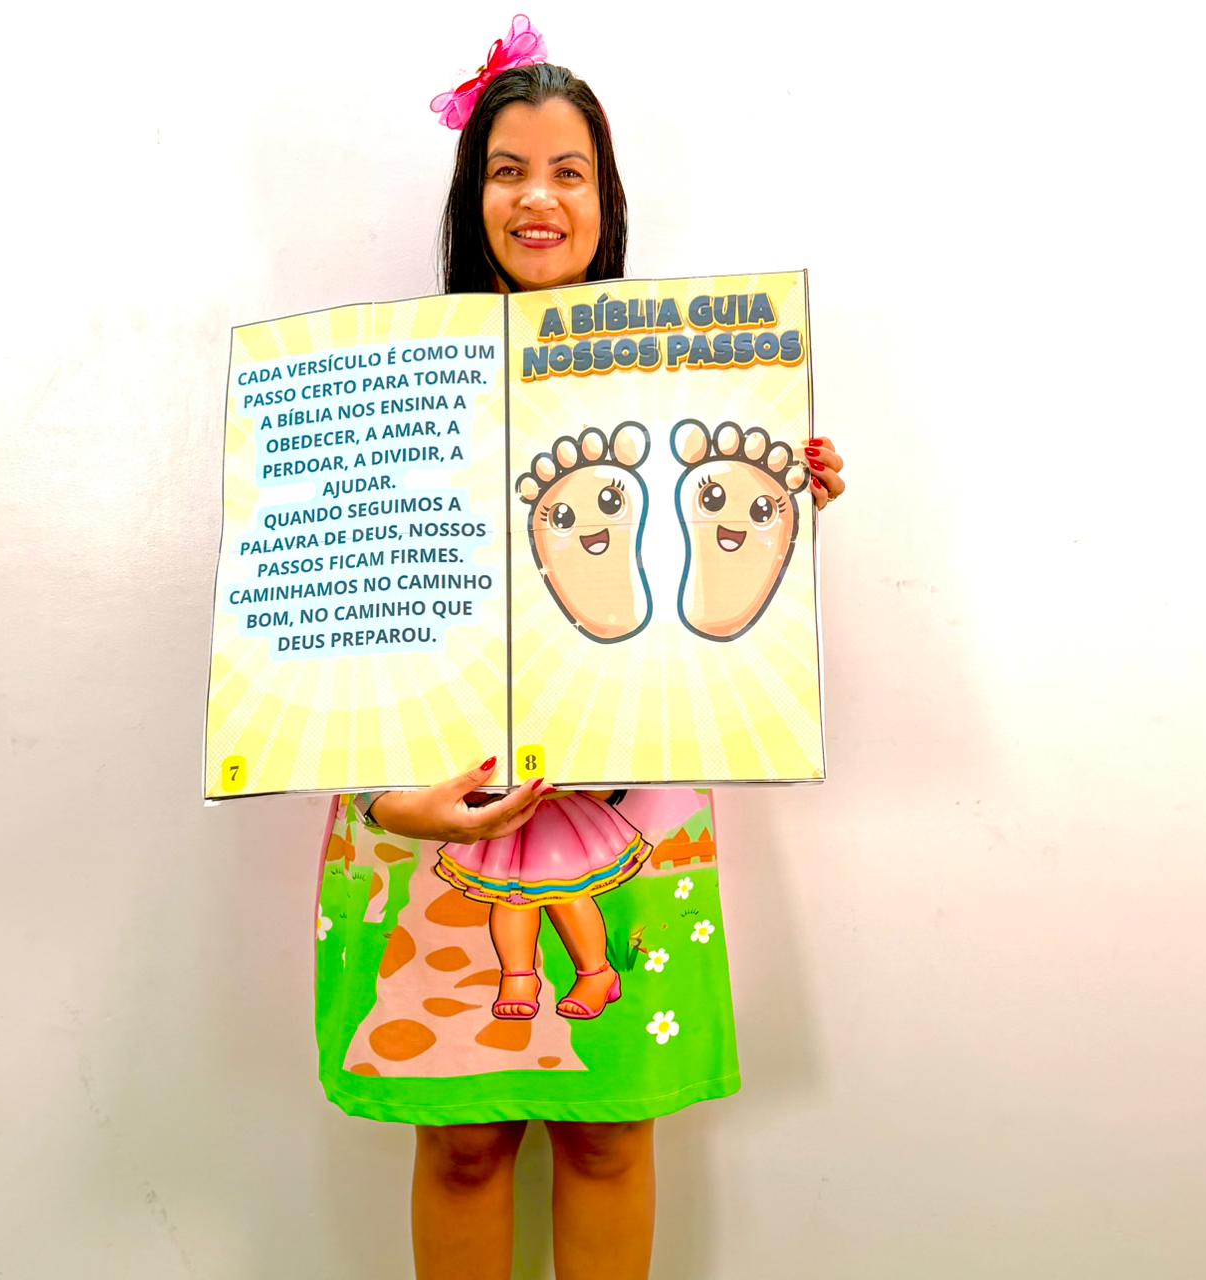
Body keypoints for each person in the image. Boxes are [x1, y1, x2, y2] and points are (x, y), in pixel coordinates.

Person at [314, 25, 846, 1280]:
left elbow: (707, 597)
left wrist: (777, 498)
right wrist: (389, 801)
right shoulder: (388, 384)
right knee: (462, 1141)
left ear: (606, 200)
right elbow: (328, 613)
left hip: (627, 788)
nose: (537, 198)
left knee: (607, 1129)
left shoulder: (684, 377)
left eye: (568, 171)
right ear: (471, 197)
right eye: (506, 170)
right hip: (429, 788)